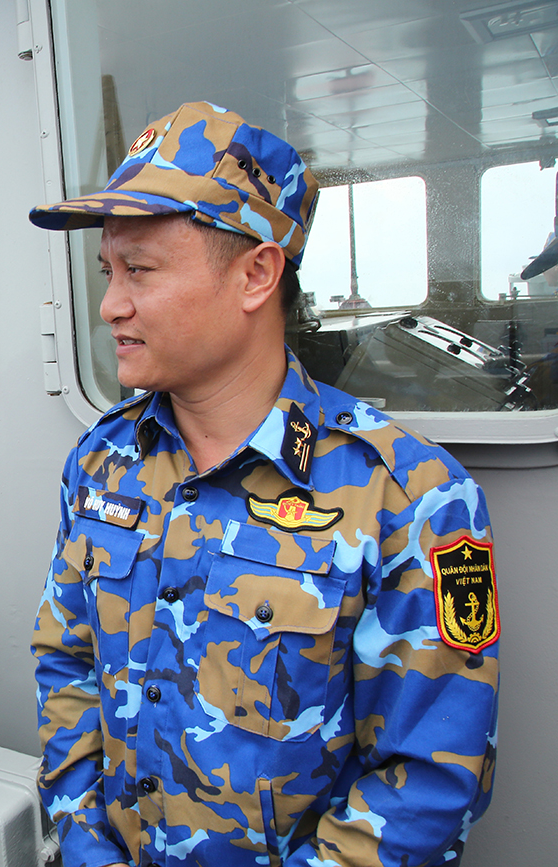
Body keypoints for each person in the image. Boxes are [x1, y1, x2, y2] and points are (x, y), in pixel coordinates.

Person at [29, 102, 498, 867]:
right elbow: (66, 662)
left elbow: (427, 780)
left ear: (255, 274)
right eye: (108, 272)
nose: (111, 304)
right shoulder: (101, 461)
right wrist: (86, 846)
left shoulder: (409, 497)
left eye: (140, 270)